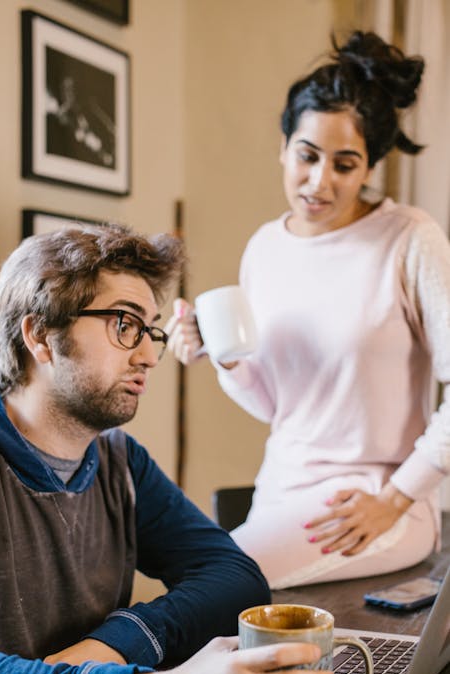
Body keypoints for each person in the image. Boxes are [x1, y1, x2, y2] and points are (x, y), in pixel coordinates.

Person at [0, 224, 337, 674]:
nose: (151, 357)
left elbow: (235, 576)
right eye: (124, 325)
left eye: (150, 331)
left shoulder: (117, 458)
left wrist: (118, 643)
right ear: (39, 335)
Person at [166, 30, 450, 590]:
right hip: (280, 492)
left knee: (204, 589)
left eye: (345, 164)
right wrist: (221, 358)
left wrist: (395, 499)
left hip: (376, 502)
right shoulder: (265, 248)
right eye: (307, 156)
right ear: (284, 146)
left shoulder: (410, 239)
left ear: (370, 167)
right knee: (198, 586)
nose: (319, 181)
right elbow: (279, 405)